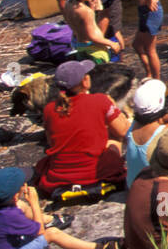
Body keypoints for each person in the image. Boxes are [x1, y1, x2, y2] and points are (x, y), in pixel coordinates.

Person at [0, 167, 107, 249]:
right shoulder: (9, 216)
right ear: (15, 195)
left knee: (21, 205)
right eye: (22, 185)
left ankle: (49, 219)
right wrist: (34, 202)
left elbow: (16, 209)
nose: (26, 185)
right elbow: (40, 232)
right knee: (52, 234)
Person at [32, 60, 129, 197]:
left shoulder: (49, 109)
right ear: (85, 81)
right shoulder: (100, 100)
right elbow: (124, 132)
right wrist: (114, 108)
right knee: (114, 138)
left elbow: (51, 142)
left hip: (60, 176)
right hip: (95, 172)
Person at [63, 0, 120, 65]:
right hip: (93, 50)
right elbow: (91, 36)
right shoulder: (86, 11)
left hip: (79, 45)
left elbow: (80, 24)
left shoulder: (68, 4)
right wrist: (111, 43)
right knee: (100, 74)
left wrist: (92, 9)